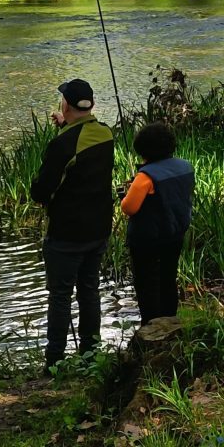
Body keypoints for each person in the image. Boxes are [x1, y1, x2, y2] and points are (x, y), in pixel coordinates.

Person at [30, 79, 114, 373]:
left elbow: (42, 190)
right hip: (99, 228)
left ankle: (54, 360)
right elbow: (81, 149)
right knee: (89, 290)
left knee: (61, 294)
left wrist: (63, 132)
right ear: (90, 105)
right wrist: (65, 126)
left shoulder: (62, 143)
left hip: (66, 233)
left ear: (65, 104)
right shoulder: (105, 134)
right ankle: (91, 351)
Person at [119, 122, 194, 326]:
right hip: (175, 234)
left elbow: (129, 208)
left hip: (147, 240)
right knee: (168, 278)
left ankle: (150, 326)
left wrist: (124, 194)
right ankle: (171, 320)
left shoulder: (145, 177)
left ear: (143, 150)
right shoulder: (185, 166)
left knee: (147, 284)